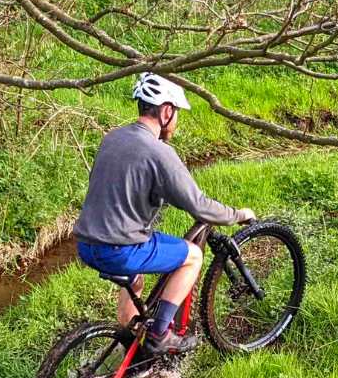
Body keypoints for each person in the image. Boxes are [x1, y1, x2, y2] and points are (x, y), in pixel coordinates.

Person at [73, 72, 254, 359]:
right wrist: (237, 214)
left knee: (136, 280)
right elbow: (199, 205)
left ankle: (130, 341)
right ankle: (159, 335)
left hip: (85, 244)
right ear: (166, 111)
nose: (177, 120)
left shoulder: (113, 138)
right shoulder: (159, 153)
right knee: (192, 256)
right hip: (120, 248)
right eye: (177, 112)